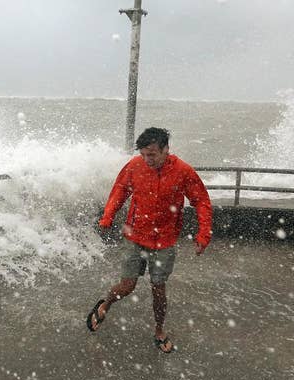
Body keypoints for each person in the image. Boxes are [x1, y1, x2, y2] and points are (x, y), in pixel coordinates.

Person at [86, 127, 212, 353]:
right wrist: (107, 218)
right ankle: (105, 304)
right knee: (127, 286)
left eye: (152, 154)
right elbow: (120, 191)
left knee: (159, 289)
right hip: (135, 236)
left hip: (165, 241)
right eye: (144, 154)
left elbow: (201, 201)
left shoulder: (183, 171)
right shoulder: (135, 166)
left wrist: (204, 234)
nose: (147, 159)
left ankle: (159, 330)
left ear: (166, 150)